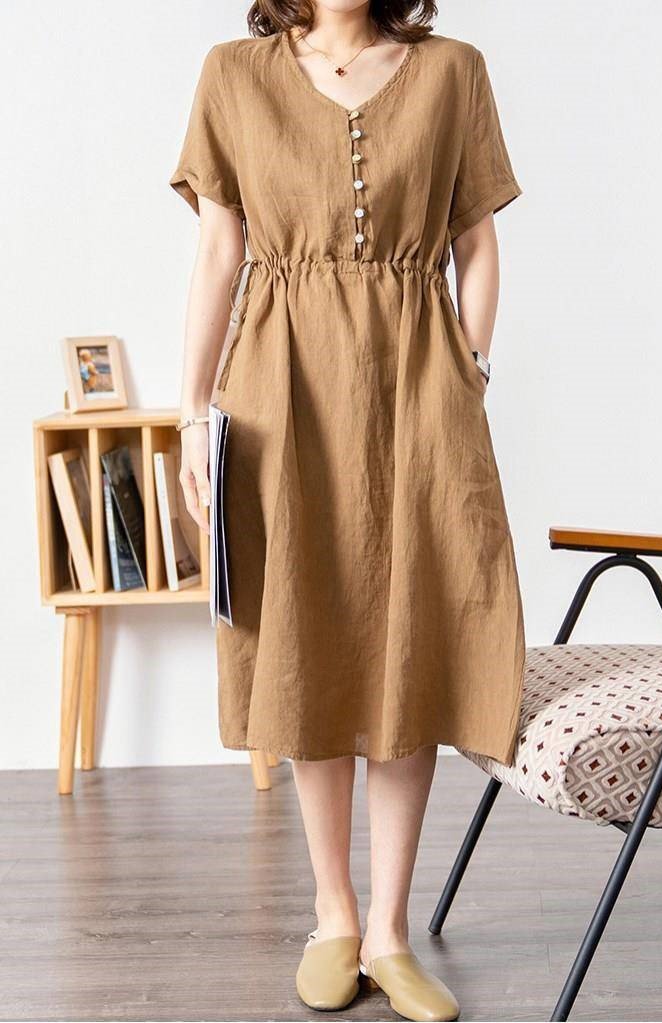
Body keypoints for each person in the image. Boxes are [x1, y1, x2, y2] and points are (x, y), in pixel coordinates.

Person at [170, 2, 525, 1019]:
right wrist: (192, 416)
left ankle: (389, 932)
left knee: (411, 636)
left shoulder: (452, 69)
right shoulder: (232, 72)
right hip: (280, 386)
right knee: (308, 638)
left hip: (419, 386)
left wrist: (468, 372)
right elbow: (219, 251)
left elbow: (477, 240)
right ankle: (332, 915)